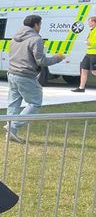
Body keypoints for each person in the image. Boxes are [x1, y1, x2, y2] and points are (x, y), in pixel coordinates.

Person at [6, 15, 64, 143]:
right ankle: (12, 127)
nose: (40, 27)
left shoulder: (14, 37)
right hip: (25, 75)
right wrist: (57, 58)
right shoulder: (36, 39)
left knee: (13, 103)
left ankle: (11, 131)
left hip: (12, 73)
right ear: (36, 24)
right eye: (40, 24)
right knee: (35, 103)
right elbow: (41, 61)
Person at [71, 16, 96, 92]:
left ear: (94, 22)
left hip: (94, 54)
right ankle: (81, 88)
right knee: (84, 69)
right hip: (88, 54)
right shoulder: (91, 30)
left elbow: (93, 42)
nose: (88, 23)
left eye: (90, 22)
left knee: (94, 71)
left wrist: (89, 43)